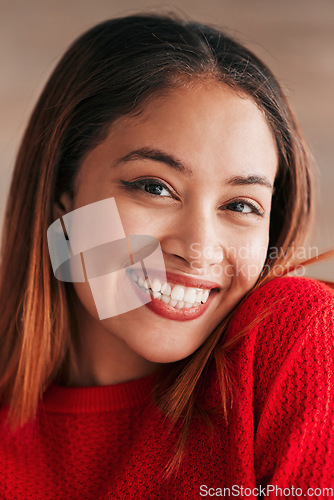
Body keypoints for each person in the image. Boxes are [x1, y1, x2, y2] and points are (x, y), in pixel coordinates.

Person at [0, 12, 333, 499]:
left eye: (241, 204)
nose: (198, 247)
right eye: (155, 187)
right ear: (61, 196)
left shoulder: (297, 340)